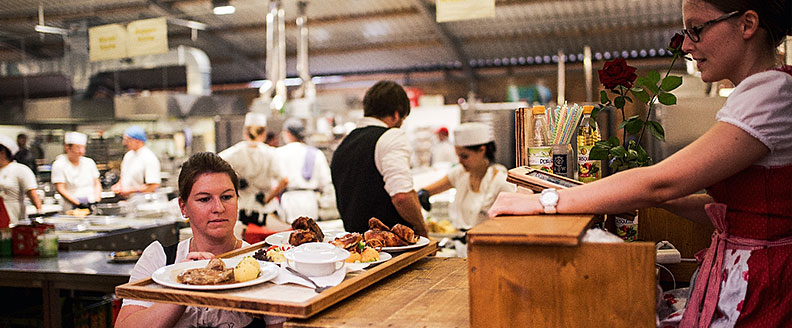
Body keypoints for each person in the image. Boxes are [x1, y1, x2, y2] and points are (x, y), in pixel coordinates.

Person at [489, 1, 792, 326]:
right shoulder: (760, 92)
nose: (687, 45)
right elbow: (742, 210)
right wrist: (663, 199)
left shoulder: (771, 94)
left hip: (764, 284)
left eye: (696, 29)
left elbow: (660, 181)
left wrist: (544, 202)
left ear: (747, 24)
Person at [115, 152, 285, 327]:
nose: (218, 208)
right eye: (204, 199)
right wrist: (182, 287)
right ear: (183, 207)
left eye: (226, 197)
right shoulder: (159, 259)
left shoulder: (263, 266)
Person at [330, 80, 428, 236]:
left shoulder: (344, 144)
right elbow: (402, 196)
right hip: (392, 247)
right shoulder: (391, 136)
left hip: (356, 246)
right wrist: (422, 229)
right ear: (396, 114)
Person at [418, 123, 515, 230]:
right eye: (458, 156)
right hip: (460, 243)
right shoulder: (460, 173)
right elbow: (428, 190)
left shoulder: (501, 183)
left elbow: (509, 225)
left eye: (464, 156)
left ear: (482, 150)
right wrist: (423, 194)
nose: (459, 161)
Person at [219, 112, 288, 234]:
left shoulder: (235, 152)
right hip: (266, 210)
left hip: (243, 210)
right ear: (264, 133)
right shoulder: (270, 153)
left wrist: (235, 181)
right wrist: (267, 198)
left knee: (246, 247)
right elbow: (284, 180)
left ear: (245, 132)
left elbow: (215, 166)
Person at [277, 118, 334, 223]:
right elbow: (326, 182)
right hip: (310, 200)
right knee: (310, 234)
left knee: (290, 235)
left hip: (289, 200)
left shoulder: (279, 153)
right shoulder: (316, 153)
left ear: (287, 133)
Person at [51, 132, 101, 212]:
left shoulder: (89, 162)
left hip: (91, 202)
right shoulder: (59, 164)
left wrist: (96, 200)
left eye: (83, 147)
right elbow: (60, 188)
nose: (81, 151)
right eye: (78, 147)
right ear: (67, 148)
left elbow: (97, 183)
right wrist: (78, 204)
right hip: (70, 206)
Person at [0, 135, 42, 226]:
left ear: (3, 153)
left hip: (14, 222)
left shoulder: (20, 169)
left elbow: (33, 194)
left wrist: (39, 213)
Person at [111, 126, 161, 198]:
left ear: (138, 140)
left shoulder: (149, 157)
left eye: (127, 140)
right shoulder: (128, 155)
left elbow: (153, 187)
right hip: (127, 201)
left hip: (142, 202)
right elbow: (124, 177)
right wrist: (118, 186)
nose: (124, 143)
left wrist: (129, 190)